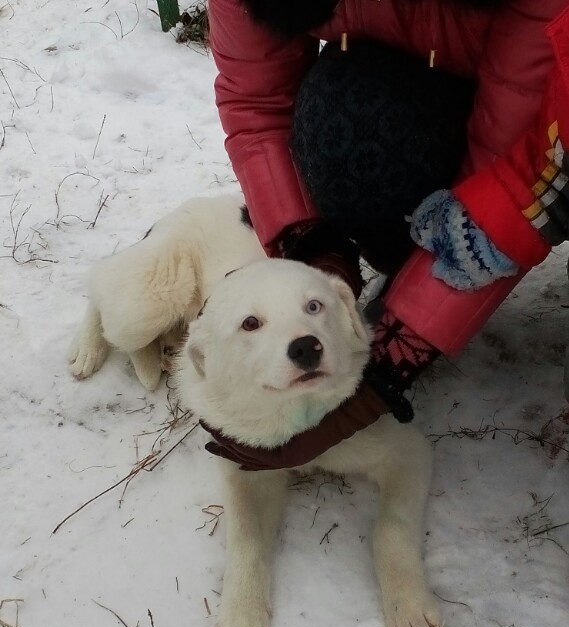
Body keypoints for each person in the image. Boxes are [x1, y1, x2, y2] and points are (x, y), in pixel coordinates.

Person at [204, 0, 569, 470]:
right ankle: (402, 263)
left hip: (534, 108)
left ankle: (413, 287)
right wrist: (312, 247)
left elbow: (521, 170)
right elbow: (257, 103)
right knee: (348, 120)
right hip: (397, 94)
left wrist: (395, 360)